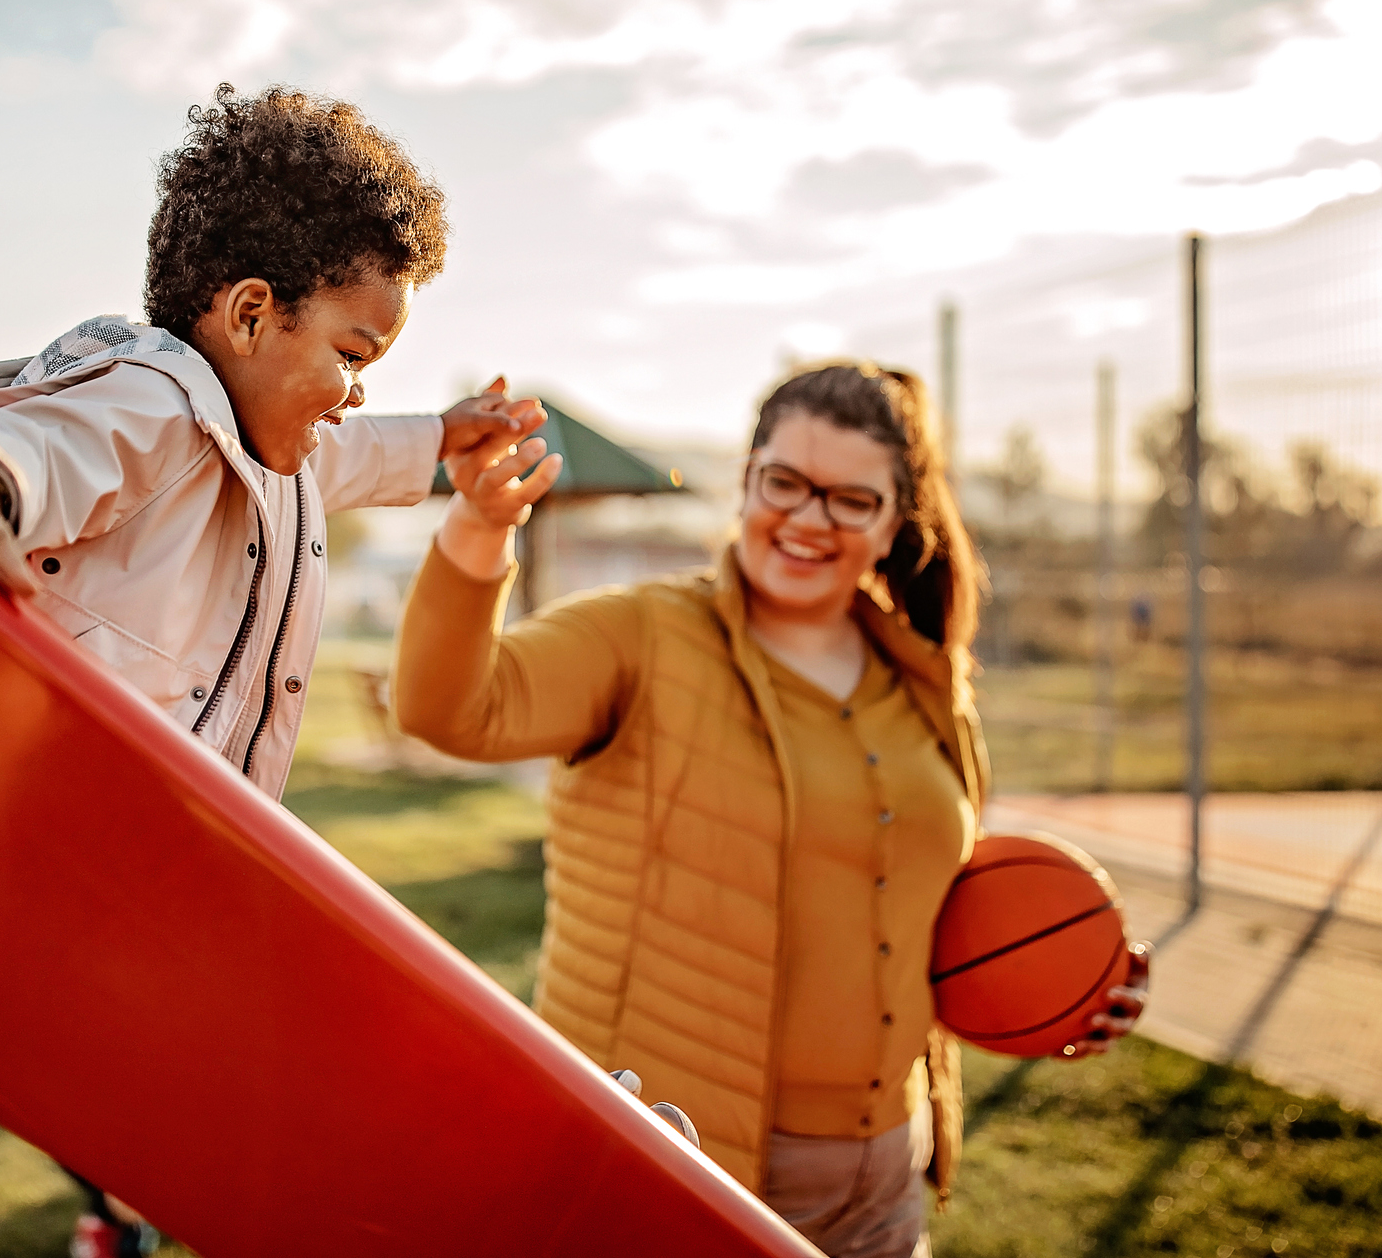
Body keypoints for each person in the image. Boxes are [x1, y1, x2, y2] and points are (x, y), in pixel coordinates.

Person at [0, 83, 518, 1258]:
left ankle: (127, 1207)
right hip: (80, 856)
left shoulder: (278, 454)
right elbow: (57, 443)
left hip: (181, 864)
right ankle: (152, 1189)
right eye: (353, 352)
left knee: (222, 1070)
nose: (357, 388)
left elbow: (352, 451)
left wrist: (444, 439)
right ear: (249, 315)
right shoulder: (163, 398)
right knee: (252, 1061)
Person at [392, 361, 1149, 1258]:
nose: (807, 518)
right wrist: (480, 531)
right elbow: (449, 707)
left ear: (893, 521)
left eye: (850, 499)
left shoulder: (921, 679)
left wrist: (1060, 984)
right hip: (678, 1153)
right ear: (745, 480)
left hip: (882, 1171)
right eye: (783, 482)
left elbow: (908, 911)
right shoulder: (639, 635)